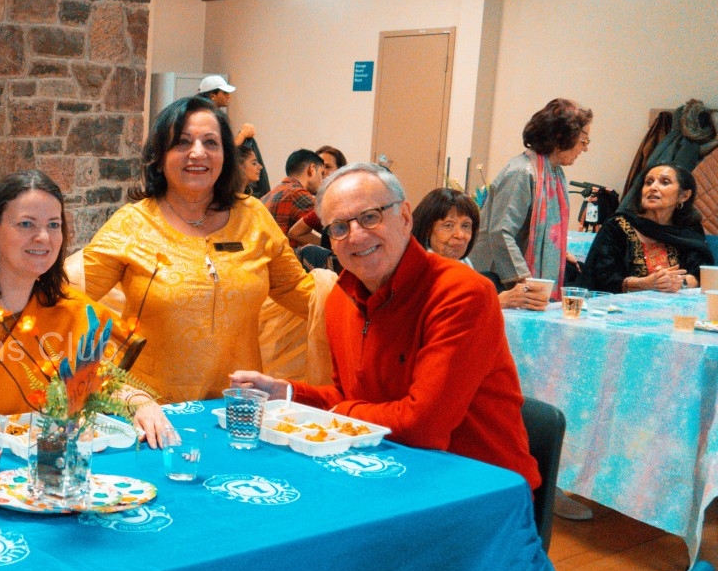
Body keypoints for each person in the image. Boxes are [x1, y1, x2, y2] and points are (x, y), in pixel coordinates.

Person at [230, 164, 539, 491]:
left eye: (369, 217)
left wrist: (340, 411)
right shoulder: (341, 299)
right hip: (386, 468)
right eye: (339, 227)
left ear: (404, 217)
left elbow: (423, 426)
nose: (356, 236)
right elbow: (347, 397)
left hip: (478, 485)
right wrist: (287, 394)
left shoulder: (461, 293)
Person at [0, 171, 173, 471]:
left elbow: (101, 383)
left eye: (53, 225)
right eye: (26, 224)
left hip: (40, 462)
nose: (43, 237)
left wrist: (140, 401)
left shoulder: (72, 308)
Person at [82, 95, 313, 404]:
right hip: (151, 411)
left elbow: (297, 290)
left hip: (237, 409)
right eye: (182, 142)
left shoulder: (253, 216)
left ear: (226, 156)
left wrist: (365, 307)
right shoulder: (132, 224)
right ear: (159, 156)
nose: (198, 153)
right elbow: (69, 298)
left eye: (211, 142)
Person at [470, 97, 591, 300]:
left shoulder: (553, 173)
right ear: (561, 138)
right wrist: (524, 280)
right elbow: (501, 232)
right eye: (583, 141)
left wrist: (559, 254)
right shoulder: (521, 172)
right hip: (497, 280)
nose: (585, 148)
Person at [577, 164, 706, 293]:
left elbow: (702, 273)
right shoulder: (617, 226)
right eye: (648, 182)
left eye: (665, 182)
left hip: (677, 302)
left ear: (684, 196)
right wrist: (644, 283)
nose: (653, 187)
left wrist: (679, 282)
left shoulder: (689, 230)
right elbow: (603, 277)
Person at [411, 187, 543, 311]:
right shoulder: (419, 267)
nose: (460, 235)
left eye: (466, 226)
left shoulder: (464, 263)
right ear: (428, 229)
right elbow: (441, 312)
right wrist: (497, 301)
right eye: (448, 225)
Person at [199, 74, 267, 198]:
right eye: (224, 93)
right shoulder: (207, 117)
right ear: (213, 96)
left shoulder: (210, 115)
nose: (228, 96)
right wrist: (243, 134)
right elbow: (222, 150)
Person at [264, 149, 326, 246]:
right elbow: (331, 228)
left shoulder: (266, 196)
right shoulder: (297, 194)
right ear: (312, 169)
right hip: (286, 255)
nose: (323, 180)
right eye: (322, 174)